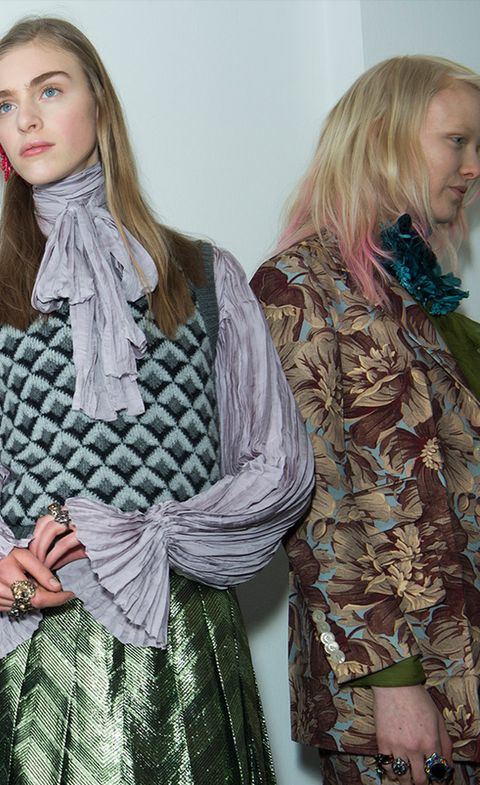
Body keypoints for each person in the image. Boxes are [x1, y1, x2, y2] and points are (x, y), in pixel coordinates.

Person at [0, 16, 314, 785]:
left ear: (100, 106)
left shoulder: (207, 275)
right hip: (36, 656)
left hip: (180, 635)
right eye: (5, 104)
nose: (28, 119)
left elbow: (278, 466)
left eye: (50, 89)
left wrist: (154, 533)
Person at [251, 56, 480, 785]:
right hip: (400, 688)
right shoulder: (296, 284)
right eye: (458, 142)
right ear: (384, 138)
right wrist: (395, 682)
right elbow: (315, 505)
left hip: (465, 671)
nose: (473, 167)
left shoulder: (423, 296)